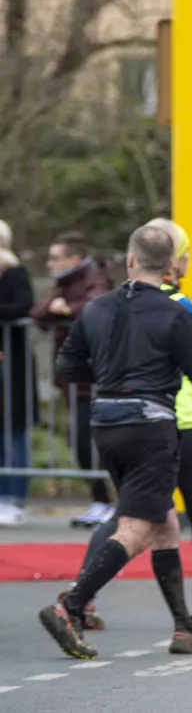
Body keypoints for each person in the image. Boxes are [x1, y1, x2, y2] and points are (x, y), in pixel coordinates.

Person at [38, 224, 192, 661]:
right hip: (150, 427)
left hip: (105, 424)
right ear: (170, 266)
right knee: (139, 527)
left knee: (165, 521)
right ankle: (70, 605)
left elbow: (67, 366)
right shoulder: (175, 313)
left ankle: (185, 629)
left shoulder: (96, 308)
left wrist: (109, 377)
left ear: (130, 260)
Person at [30, 231, 116, 528]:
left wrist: (67, 310)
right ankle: (101, 501)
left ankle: (112, 502)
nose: (50, 263)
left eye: (56, 258)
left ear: (74, 258)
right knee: (79, 440)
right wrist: (56, 309)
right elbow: (38, 310)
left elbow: (96, 307)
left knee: (96, 441)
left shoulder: (94, 278)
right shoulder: (65, 284)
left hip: (95, 377)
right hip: (74, 379)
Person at [0, 220, 35, 527]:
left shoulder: (16, 274)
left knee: (15, 433)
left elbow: (23, 306)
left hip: (13, 366)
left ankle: (15, 498)